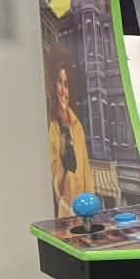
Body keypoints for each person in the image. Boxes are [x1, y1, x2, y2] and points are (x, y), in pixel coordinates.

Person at [48, 60, 95, 220]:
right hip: (63, 214)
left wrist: (92, 213)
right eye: (59, 83)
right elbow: (53, 175)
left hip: (83, 214)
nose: (63, 91)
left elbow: (86, 172)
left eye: (66, 84)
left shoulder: (77, 126)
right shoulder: (51, 126)